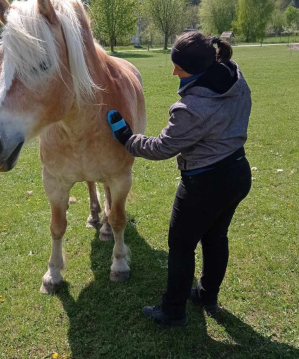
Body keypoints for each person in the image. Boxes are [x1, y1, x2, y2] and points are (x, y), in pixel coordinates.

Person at [107, 31, 252, 326]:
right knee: (216, 236)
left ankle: (173, 311)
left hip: (204, 184)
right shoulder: (235, 77)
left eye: (179, 67)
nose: (173, 71)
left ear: (195, 69)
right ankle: (207, 294)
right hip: (238, 171)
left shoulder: (191, 109)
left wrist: (126, 138)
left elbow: (162, 147)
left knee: (181, 246)